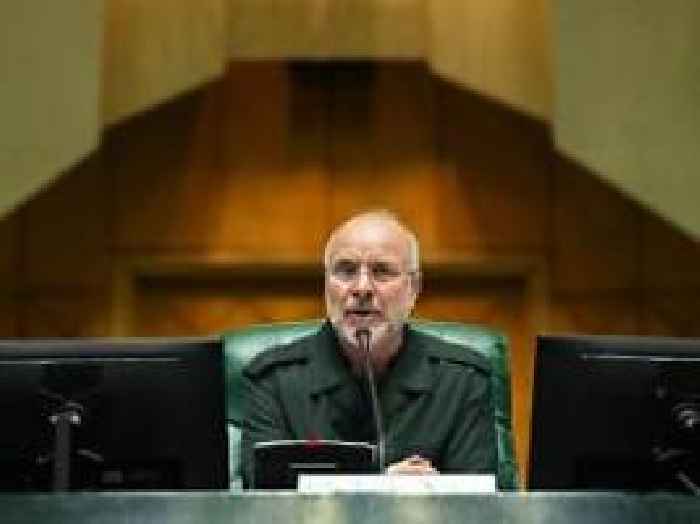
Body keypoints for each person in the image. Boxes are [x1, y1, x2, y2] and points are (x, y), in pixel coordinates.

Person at [240, 210, 496, 485]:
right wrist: (382, 487)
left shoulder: (462, 381)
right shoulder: (275, 382)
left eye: (382, 271)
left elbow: (480, 502)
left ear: (414, 288)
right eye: (346, 271)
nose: (362, 288)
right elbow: (264, 500)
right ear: (326, 284)